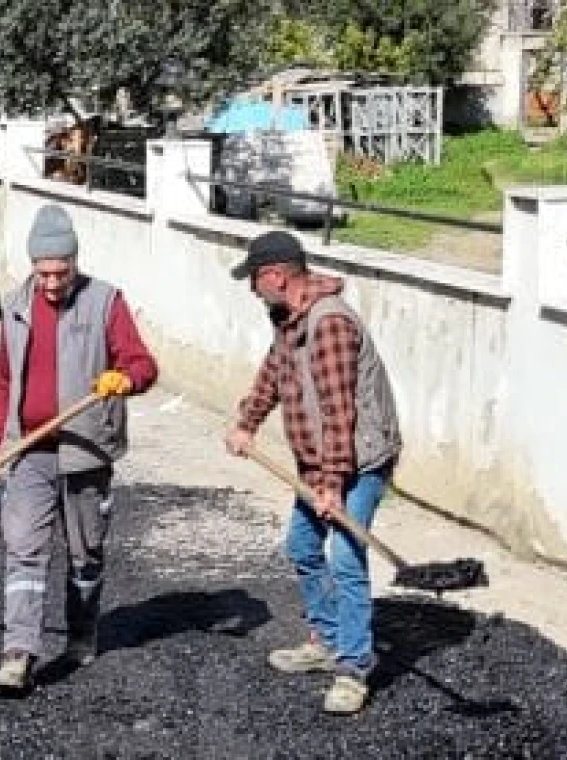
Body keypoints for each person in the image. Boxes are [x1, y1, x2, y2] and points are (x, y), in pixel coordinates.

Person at [0, 204, 158, 695]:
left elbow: (144, 364)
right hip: (29, 452)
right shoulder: (15, 307)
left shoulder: (105, 302)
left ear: (75, 262)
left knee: (85, 554)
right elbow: (4, 383)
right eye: (43, 271)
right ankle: (18, 654)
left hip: (86, 449)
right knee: (24, 550)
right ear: (32, 265)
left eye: (60, 271)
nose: (52, 282)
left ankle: (82, 632)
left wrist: (125, 379)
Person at [222, 231, 401, 715]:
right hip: (322, 462)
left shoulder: (329, 325)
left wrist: (331, 485)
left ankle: (354, 666)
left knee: (344, 554)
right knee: (302, 545)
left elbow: (338, 413)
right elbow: (272, 376)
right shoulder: (289, 319)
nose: (252, 291)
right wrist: (246, 422)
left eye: (254, 280)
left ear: (275, 275)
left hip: (359, 461)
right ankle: (327, 638)